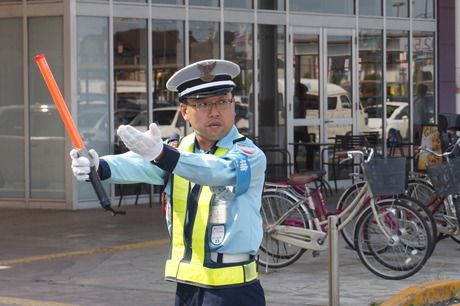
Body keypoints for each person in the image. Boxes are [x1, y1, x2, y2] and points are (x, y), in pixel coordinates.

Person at [70, 59, 267, 306]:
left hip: (234, 291)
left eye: (222, 101)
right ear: (184, 111)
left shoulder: (248, 154)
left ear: (233, 106)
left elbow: (214, 171)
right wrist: (97, 166)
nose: (215, 111)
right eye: (203, 104)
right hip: (187, 289)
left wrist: (162, 155)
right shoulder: (178, 151)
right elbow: (136, 164)